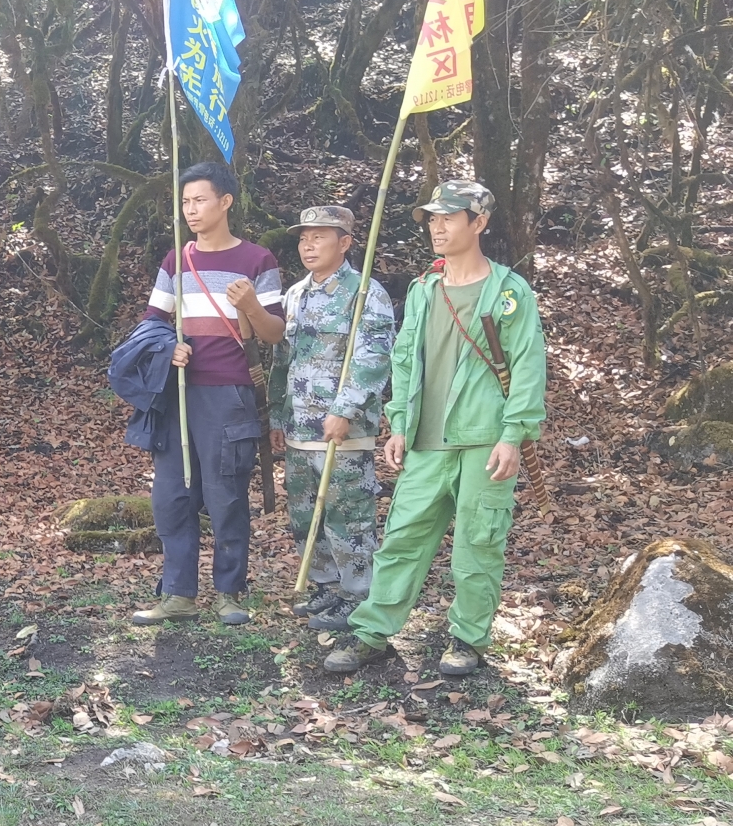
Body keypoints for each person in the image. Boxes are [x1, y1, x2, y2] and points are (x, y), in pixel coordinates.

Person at [324, 180, 546, 679]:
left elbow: (528, 365)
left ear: (479, 222)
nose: (437, 226)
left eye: (449, 217)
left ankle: (468, 638)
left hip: (486, 439)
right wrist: (399, 423)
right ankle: (372, 632)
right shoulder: (425, 289)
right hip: (426, 441)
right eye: (431, 218)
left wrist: (514, 434)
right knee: (402, 537)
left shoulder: (509, 291)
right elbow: (405, 360)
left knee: (478, 543)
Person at [131, 162, 284, 628]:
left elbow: (275, 333)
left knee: (226, 493)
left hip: (229, 393)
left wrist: (250, 305)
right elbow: (151, 324)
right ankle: (178, 593)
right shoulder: (175, 262)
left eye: (200, 200)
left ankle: (230, 592)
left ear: (225, 202)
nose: (191, 210)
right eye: (184, 202)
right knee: (172, 494)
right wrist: (166, 347)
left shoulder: (258, 261)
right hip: (177, 392)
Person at [268, 207, 396, 631]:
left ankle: (358, 595)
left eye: (320, 237)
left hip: (342, 429)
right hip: (299, 427)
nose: (308, 245)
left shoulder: (364, 294)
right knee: (306, 515)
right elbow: (281, 359)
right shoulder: (296, 294)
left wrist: (345, 409)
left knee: (348, 515)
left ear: (344, 242)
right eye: (304, 237)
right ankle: (325, 585)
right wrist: (275, 414)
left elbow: (374, 356)